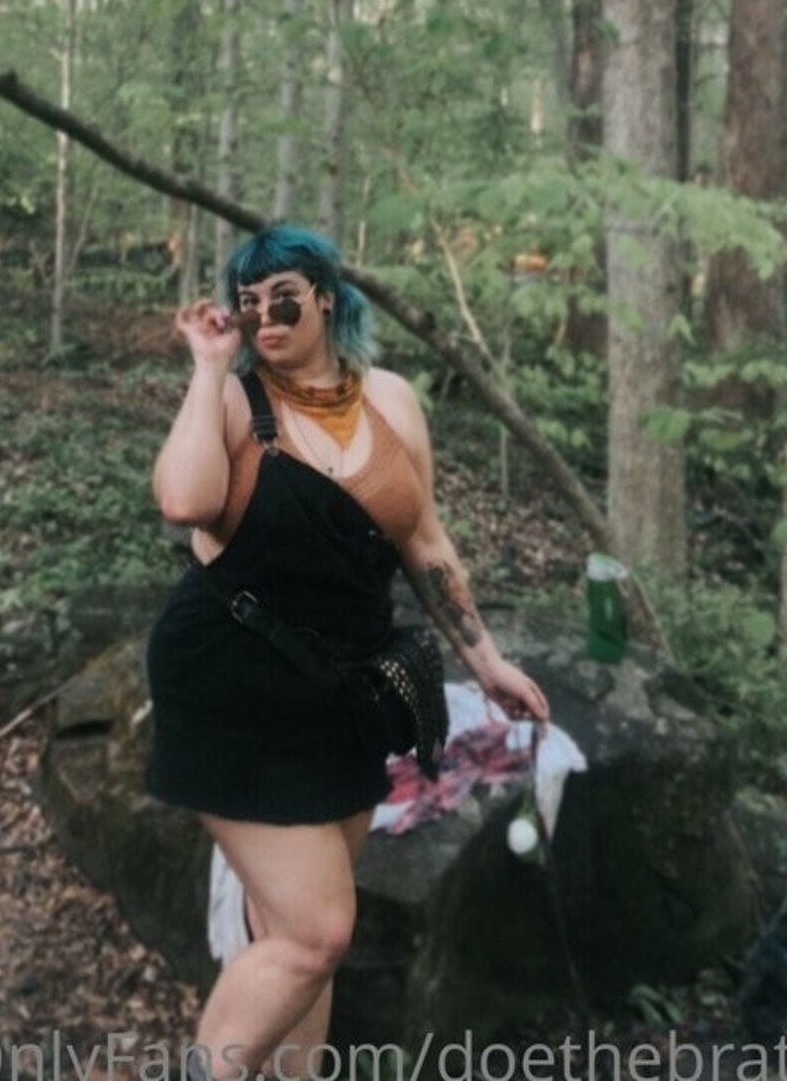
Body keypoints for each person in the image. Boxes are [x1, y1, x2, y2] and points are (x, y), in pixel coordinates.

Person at [146, 224, 549, 1081]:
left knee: (291, 936)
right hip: (232, 681)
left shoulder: (392, 401)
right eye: (249, 303)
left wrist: (486, 660)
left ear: (326, 298)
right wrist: (208, 365)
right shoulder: (235, 400)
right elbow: (183, 500)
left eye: (282, 297)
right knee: (317, 930)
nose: (264, 316)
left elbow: (426, 542)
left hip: (344, 692)